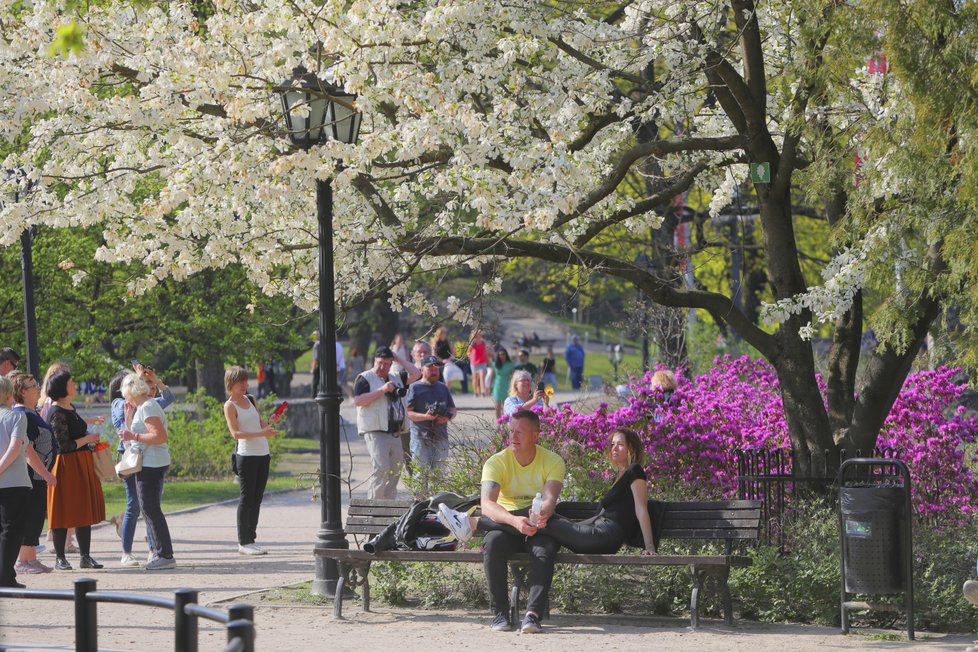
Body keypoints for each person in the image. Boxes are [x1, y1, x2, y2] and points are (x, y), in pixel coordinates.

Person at [437, 410, 565, 634]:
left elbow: (549, 500)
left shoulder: (553, 461)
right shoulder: (496, 462)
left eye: (520, 433)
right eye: (511, 431)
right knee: (493, 542)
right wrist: (515, 521)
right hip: (505, 525)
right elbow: (488, 505)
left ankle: (532, 616)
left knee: (545, 548)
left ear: (535, 436)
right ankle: (500, 614)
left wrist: (539, 515)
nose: (513, 437)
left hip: (536, 527)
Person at [110, 364, 175, 566]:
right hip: (147, 462)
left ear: (131, 391)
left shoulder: (147, 406)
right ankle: (160, 552)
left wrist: (133, 435)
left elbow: (159, 436)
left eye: (125, 392)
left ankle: (165, 555)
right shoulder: (142, 406)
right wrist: (129, 425)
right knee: (148, 509)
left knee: (151, 508)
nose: (124, 397)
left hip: (152, 463)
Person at [46, 368, 106, 571]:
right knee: (62, 509)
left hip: (80, 463)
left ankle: (85, 556)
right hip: (64, 466)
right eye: (71, 381)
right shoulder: (56, 411)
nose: (74, 384)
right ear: (62, 386)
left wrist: (89, 437)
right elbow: (63, 445)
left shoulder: (69, 407)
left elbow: (75, 434)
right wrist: (88, 438)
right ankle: (60, 558)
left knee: (83, 509)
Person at [224, 366, 283, 555]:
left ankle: (252, 539)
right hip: (246, 456)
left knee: (257, 499)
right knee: (246, 498)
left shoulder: (251, 399)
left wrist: (270, 421)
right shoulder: (229, 405)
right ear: (231, 383)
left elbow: (259, 424)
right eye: (241, 382)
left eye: (245, 381)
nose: (245, 385)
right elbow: (236, 434)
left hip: (262, 453)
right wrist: (262, 432)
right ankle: (243, 541)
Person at [353, 346, 419, 499]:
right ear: (374, 361)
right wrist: (382, 390)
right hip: (375, 430)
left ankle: (387, 508)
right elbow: (358, 401)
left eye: (387, 364)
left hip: (395, 431)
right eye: (380, 363)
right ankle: (374, 507)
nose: (383, 367)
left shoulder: (395, 376)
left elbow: (416, 373)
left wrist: (398, 358)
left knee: (395, 471)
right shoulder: (365, 377)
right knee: (381, 468)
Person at [10, 373, 57, 576]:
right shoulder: (23, 415)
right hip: (31, 475)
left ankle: (31, 557)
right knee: (29, 515)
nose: (38, 388)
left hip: (37, 477)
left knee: (37, 516)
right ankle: (22, 560)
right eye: (33, 386)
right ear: (22, 392)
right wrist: (45, 473)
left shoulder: (33, 412)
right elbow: (27, 450)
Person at [0, 375, 32, 588]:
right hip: (14, 481)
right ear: (10, 394)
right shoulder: (16, 417)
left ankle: (6, 574)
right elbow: (15, 447)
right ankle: (5, 576)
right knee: (12, 530)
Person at [404, 356, 457, 478]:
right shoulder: (414, 388)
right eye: (430, 368)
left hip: (441, 437)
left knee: (438, 475)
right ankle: (420, 497)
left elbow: (453, 409)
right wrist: (425, 417)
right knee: (420, 474)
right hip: (420, 438)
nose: (434, 371)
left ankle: (435, 497)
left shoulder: (442, 387)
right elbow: (408, 413)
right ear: (421, 370)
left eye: (436, 368)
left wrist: (447, 417)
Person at [491, 347, 516, 419]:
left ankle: (505, 423)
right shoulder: (495, 364)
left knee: (505, 406)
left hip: (506, 386)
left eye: (503, 354)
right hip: (497, 386)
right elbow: (492, 375)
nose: (502, 356)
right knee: (497, 407)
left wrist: (514, 386)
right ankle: (498, 422)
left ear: (506, 355)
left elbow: (514, 376)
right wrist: (489, 386)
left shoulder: (510, 364)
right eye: (500, 354)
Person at [468, 329, 489, 397]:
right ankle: (476, 392)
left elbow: (485, 350)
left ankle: (483, 391)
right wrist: (472, 340)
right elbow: (469, 351)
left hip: (483, 361)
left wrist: (487, 359)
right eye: (477, 334)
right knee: (475, 377)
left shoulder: (483, 341)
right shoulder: (472, 342)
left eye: (480, 334)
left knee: (482, 375)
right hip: (474, 361)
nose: (479, 335)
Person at [310, 331, 320, 398]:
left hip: (318, 365)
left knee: (314, 383)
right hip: (323, 365)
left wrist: (313, 368)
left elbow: (316, 358)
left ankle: (313, 397)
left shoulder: (316, 345)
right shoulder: (322, 343)